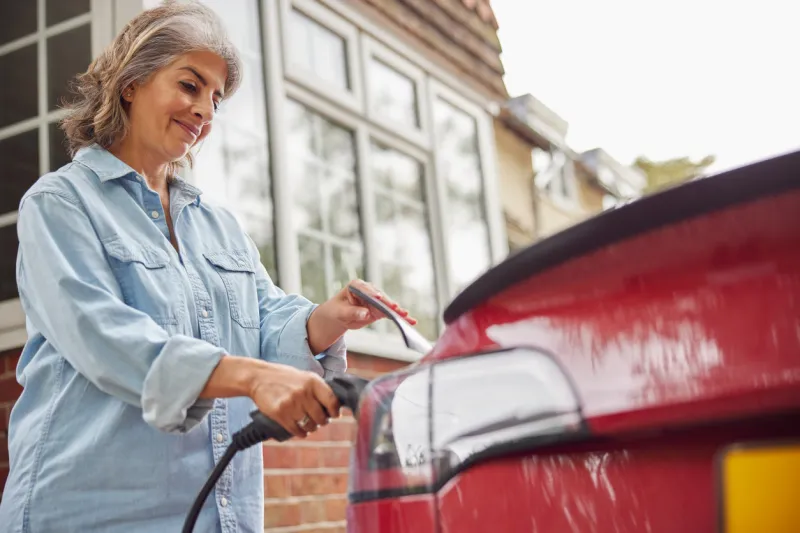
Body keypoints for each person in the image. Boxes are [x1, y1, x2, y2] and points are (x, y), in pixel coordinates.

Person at [0, 2, 416, 532]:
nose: (205, 111)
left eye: (216, 99)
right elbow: (102, 337)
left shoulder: (217, 224)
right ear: (131, 82)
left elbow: (265, 320)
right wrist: (251, 377)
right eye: (190, 86)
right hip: (93, 512)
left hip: (219, 515)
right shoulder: (60, 204)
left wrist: (327, 319)